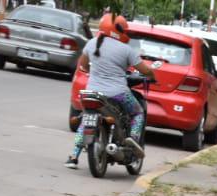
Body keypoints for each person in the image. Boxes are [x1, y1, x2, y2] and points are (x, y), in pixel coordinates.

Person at [65, 13, 157, 169]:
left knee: (87, 119)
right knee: (138, 112)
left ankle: (74, 156)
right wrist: (152, 75)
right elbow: (145, 69)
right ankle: (133, 141)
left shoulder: (91, 43)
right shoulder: (126, 50)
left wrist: (92, 70)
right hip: (118, 94)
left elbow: (84, 65)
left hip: (92, 93)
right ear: (120, 30)